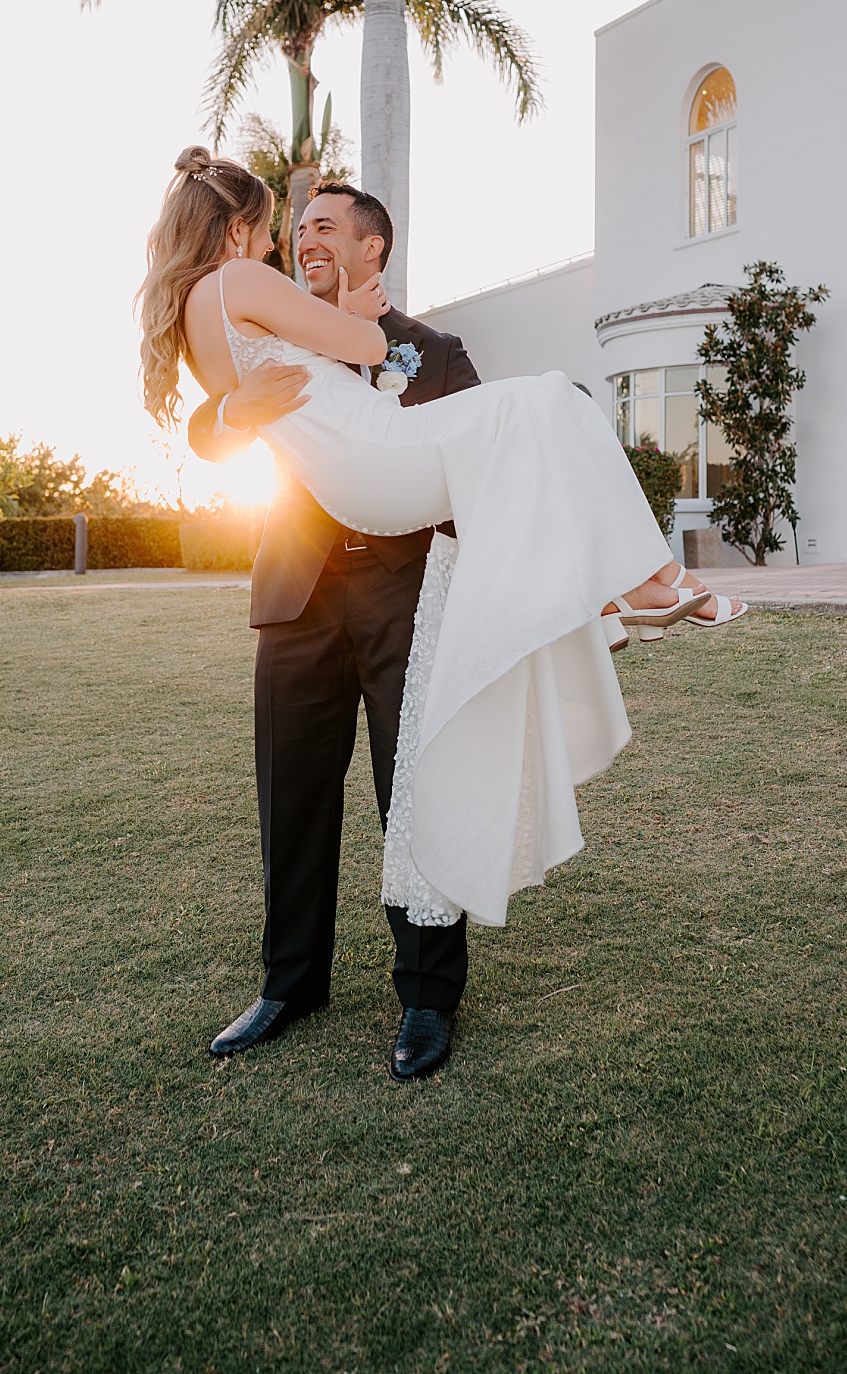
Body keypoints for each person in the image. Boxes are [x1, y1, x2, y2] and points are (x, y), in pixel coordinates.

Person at [139, 149, 742, 1079]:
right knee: (289, 801)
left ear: (371, 247)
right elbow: (217, 426)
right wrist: (255, 393)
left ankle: (427, 998)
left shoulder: (436, 347)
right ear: (247, 236)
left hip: (396, 582)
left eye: (323, 226)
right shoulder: (254, 295)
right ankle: (286, 984)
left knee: (413, 785)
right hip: (297, 589)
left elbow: (453, 442)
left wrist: (340, 336)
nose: (300, 237)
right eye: (292, 226)